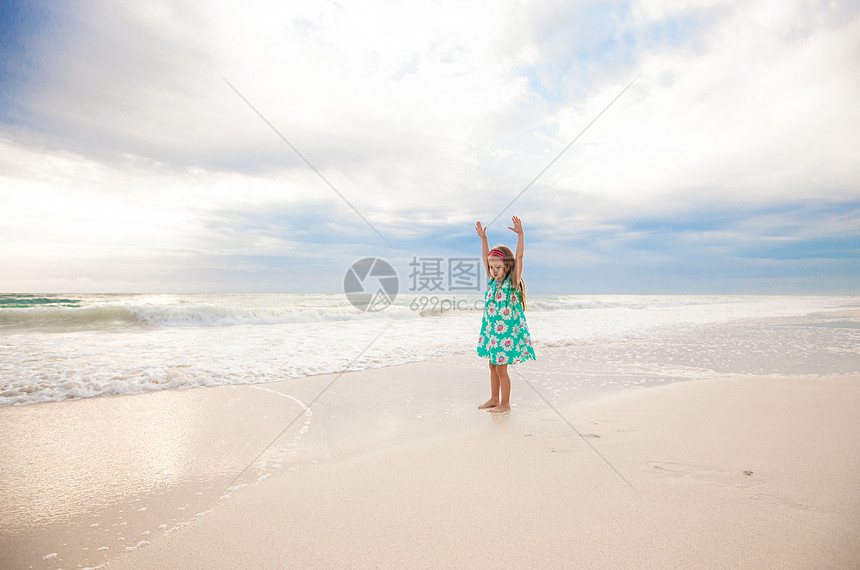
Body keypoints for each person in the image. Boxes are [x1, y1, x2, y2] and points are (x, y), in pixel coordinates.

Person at [475, 215, 536, 413]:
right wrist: (484, 239)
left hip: (506, 336)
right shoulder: (493, 282)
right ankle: (494, 398)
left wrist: (521, 234)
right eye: (492, 267)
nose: (493, 270)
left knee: (502, 369)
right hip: (492, 332)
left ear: (507, 266)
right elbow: (485, 258)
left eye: (498, 267)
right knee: (492, 367)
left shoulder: (512, 283)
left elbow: (519, 257)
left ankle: (505, 403)